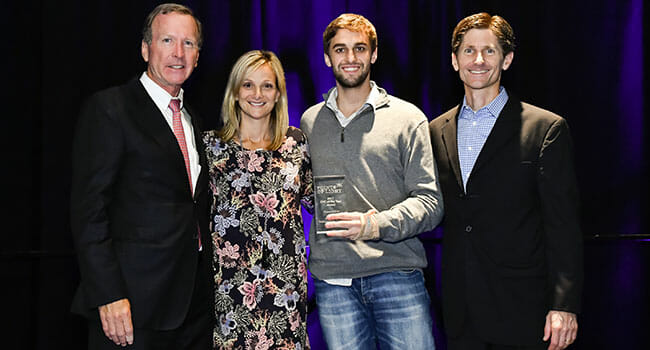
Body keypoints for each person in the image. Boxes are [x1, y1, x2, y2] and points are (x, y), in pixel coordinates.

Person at [429, 12, 583, 350]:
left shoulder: (544, 129)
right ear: (455, 61)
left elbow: (563, 225)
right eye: (468, 51)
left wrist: (564, 304)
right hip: (460, 309)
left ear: (507, 59)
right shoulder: (435, 130)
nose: (478, 60)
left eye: (490, 51)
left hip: (524, 308)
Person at [70, 3, 213, 349]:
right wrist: (109, 295)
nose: (178, 53)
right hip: (131, 309)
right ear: (146, 48)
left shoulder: (194, 118)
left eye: (188, 43)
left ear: (197, 55)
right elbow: (89, 213)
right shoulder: (110, 109)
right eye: (167, 40)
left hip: (193, 308)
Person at [300, 13, 444, 350]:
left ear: (374, 54)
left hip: (397, 274)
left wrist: (374, 225)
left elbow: (430, 203)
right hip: (333, 282)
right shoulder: (308, 122)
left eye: (359, 48)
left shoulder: (408, 119)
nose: (350, 59)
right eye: (340, 49)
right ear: (326, 57)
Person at [204, 50, 313, 349]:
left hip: (284, 294)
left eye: (267, 85)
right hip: (228, 295)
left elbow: (323, 203)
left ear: (278, 93)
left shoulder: (296, 144)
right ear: (235, 92)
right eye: (248, 85)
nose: (257, 94)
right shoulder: (211, 148)